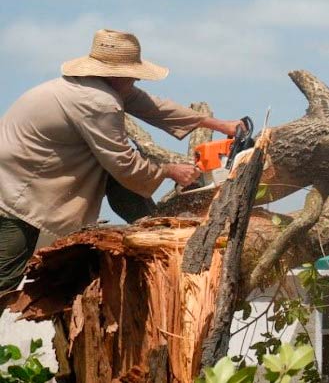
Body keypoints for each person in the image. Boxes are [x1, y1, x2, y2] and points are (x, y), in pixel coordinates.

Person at [0, 29, 242, 294]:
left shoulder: (94, 84)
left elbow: (154, 107)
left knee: (119, 180)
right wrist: (170, 171)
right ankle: (157, 233)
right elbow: (123, 164)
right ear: (118, 75)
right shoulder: (97, 101)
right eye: (134, 74)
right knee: (5, 277)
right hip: (17, 190)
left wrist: (221, 126)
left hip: (24, 175)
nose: (137, 78)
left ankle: (154, 229)